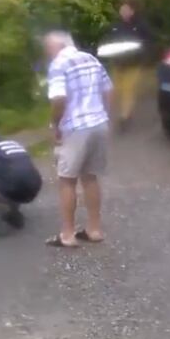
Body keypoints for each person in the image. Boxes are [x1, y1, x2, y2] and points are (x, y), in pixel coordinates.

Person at [43, 31, 113, 248]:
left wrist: (55, 125)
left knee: (67, 180)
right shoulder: (91, 58)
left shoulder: (58, 65)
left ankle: (67, 234)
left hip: (75, 127)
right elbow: (108, 90)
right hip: (98, 123)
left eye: (48, 48)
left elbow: (59, 98)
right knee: (90, 177)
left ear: (58, 46)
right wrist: (103, 114)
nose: (47, 53)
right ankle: (94, 229)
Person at [105, 0, 152, 130]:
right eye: (122, 9)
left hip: (133, 63)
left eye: (126, 9)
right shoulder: (116, 26)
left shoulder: (141, 25)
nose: (123, 11)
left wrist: (143, 57)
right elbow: (110, 41)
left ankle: (125, 117)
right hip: (118, 63)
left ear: (132, 11)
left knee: (128, 90)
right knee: (116, 90)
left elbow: (148, 42)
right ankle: (119, 113)